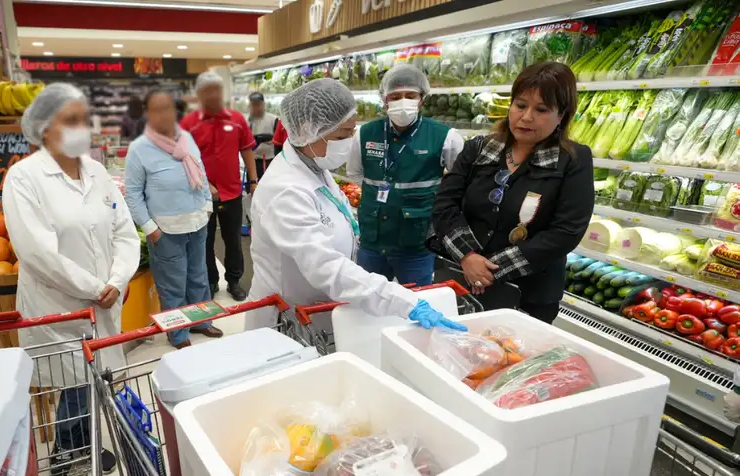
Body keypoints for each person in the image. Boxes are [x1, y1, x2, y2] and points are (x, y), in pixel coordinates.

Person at [246, 78, 465, 333]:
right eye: (342, 135)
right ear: (308, 130)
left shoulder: (315, 166)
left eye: (352, 131)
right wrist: (401, 301)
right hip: (286, 319)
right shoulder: (285, 190)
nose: (350, 141)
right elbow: (325, 266)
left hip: (319, 309)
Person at [3, 83, 140, 476]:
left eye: (84, 120)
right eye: (71, 120)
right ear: (44, 128)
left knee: (93, 377)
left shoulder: (96, 172)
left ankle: (80, 442)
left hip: (105, 298)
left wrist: (117, 277)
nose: (83, 128)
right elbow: (37, 251)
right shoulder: (24, 177)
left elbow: (124, 233)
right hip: (58, 304)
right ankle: (67, 448)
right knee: (77, 381)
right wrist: (96, 288)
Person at [429, 61, 593, 324]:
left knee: (514, 361)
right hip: (462, 281)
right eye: (520, 105)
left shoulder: (573, 161)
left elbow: (566, 231)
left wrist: (491, 269)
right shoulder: (479, 149)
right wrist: (469, 257)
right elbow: (444, 204)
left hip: (530, 295)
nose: (526, 117)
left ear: (562, 115)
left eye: (541, 109)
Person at [347, 64, 464, 286]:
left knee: (417, 305)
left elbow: (460, 183)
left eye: (410, 95)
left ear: (422, 99)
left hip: (416, 244)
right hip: (372, 241)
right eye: (395, 96)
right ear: (385, 99)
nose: (403, 101)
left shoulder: (446, 137)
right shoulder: (364, 133)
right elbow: (355, 173)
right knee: (368, 305)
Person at [124, 90, 223, 349]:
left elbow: (199, 171)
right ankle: (178, 333)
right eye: (157, 109)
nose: (164, 114)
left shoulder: (186, 138)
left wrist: (207, 207)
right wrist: (150, 228)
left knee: (198, 277)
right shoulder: (139, 149)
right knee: (172, 285)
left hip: (197, 223)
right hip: (165, 230)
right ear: (147, 114)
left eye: (167, 108)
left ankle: (202, 321)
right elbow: (133, 193)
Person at [181, 72, 258, 301]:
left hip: (232, 192)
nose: (214, 95)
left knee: (233, 239)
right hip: (200, 195)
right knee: (203, 241)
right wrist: (205, 184)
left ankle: (234, 280)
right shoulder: (188, 124)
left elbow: (247, 149)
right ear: (200, 95)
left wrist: (253, 181)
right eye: (208, 91)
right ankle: (211, 280)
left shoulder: (236, 119)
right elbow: (183, 158)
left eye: (217, 90)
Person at [248, 92, 279, 182]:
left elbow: (279, 141)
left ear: (263, 105)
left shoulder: (273, 119)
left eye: (258, 104)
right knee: (252, 187)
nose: (256, 107)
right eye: (253, 105)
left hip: (268, 160)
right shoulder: (247, 120)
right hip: (252, 161)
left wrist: (271, 140)